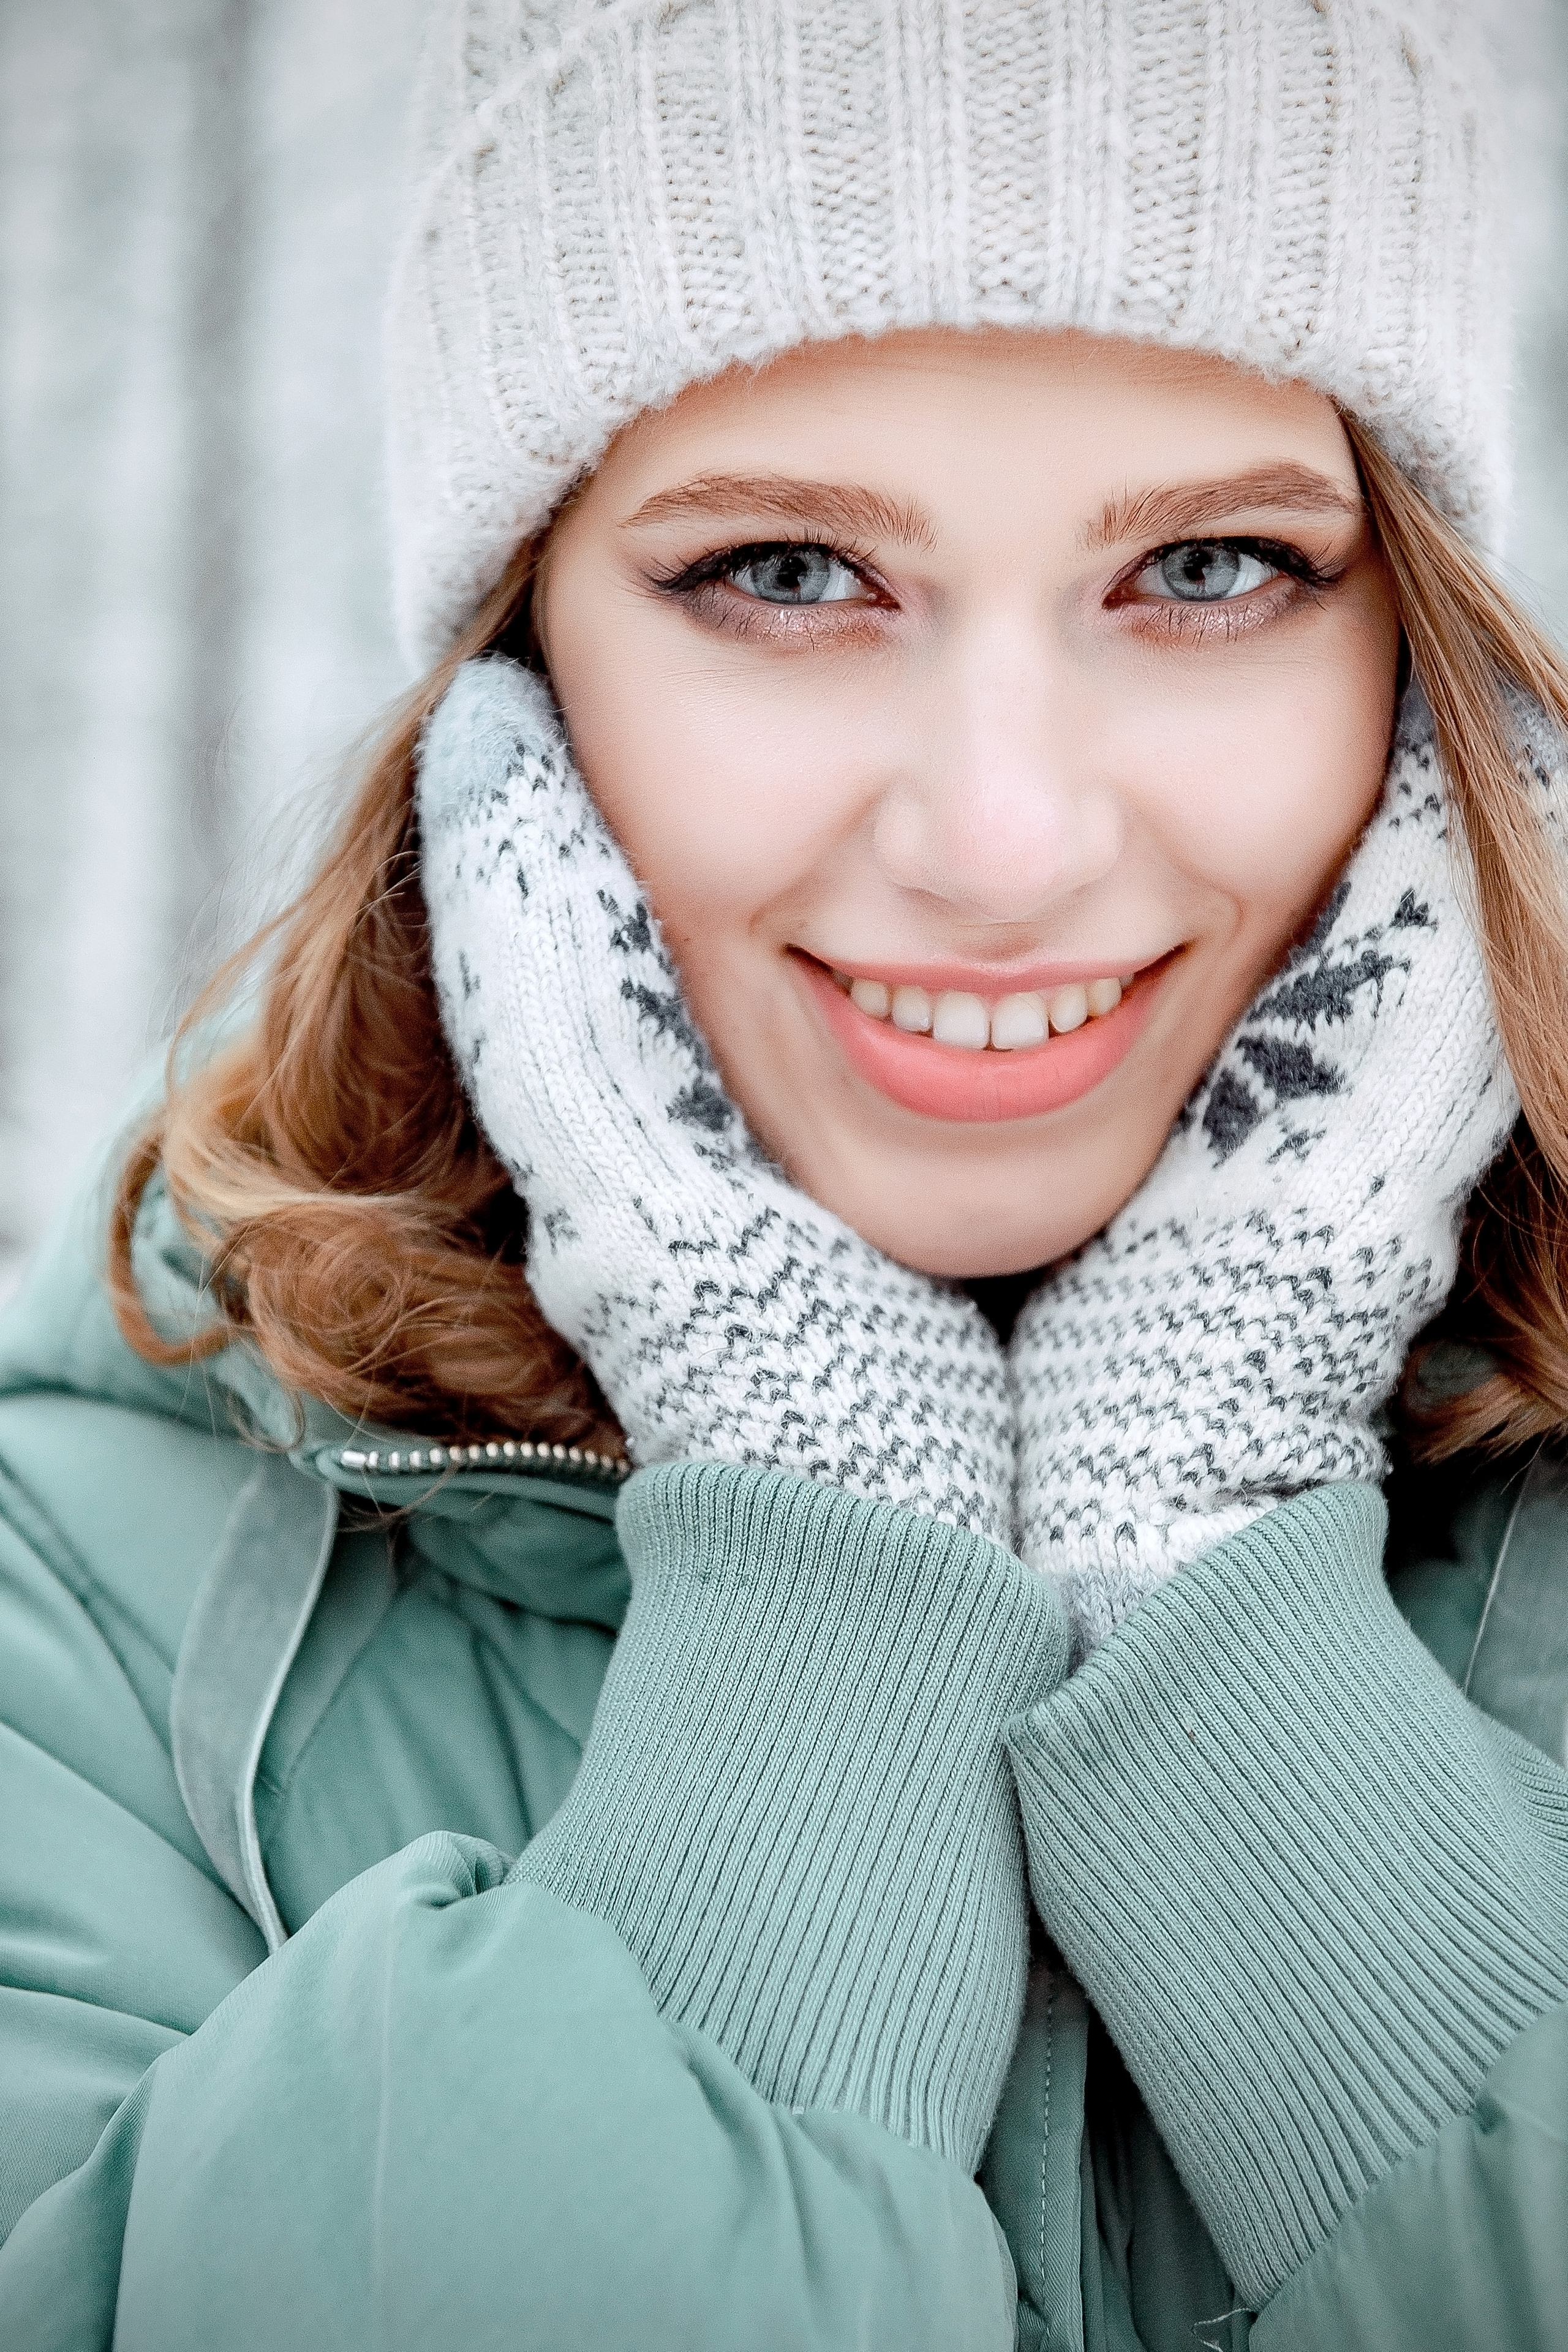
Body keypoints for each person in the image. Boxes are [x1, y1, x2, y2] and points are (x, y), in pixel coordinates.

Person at [2, 1, 1567, 2343]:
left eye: (1219, 569)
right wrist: (824, 1560)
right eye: (787, 575)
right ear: (515, 685)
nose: (1006, 839)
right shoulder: (83, 1628)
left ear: (1421, 666)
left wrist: (1218, 1545)